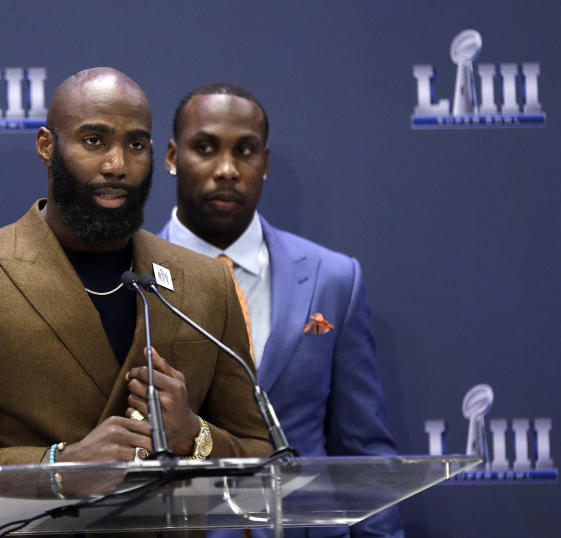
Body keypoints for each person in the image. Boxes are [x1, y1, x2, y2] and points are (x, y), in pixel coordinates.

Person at [0, 67, 273, 518]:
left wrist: (195, 437)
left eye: (135, 145)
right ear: (47, 146)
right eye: (94, 141)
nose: (116, 165)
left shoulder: (206, 282)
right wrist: (55, 470)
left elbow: (266, 461)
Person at [159, 83, 404, 537]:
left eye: (245, 151)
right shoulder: (131, 278)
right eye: (206, 148)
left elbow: (364, 450)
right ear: (173, 157)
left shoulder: (334, 279)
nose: (227, 170)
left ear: (265, 164)